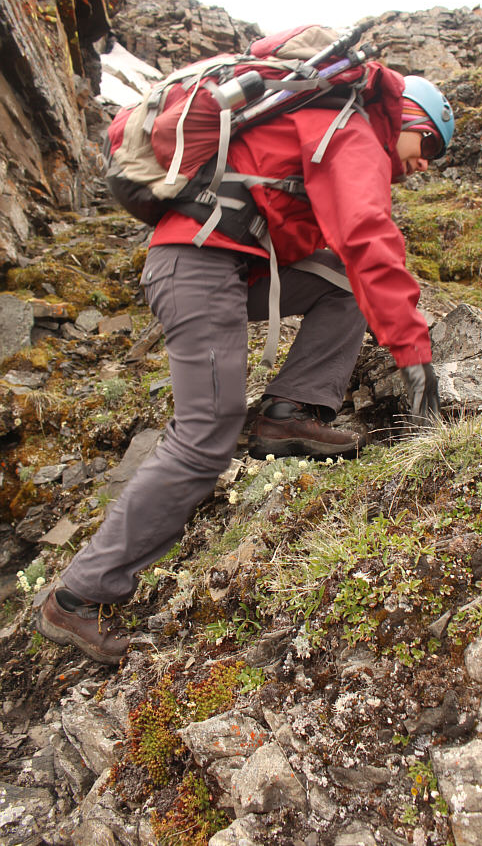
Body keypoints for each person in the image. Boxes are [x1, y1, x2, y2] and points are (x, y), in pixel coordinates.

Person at [35, 64, 454, 664]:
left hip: (223, 261)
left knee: (342, 285)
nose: (425, 164)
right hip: (198, 262)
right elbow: (367, 232)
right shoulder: (355, 125)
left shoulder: (331, 121)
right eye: (429, 145)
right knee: (206, 436)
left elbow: (343, 246)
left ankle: (287, 413)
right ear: (408, 116)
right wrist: (415, 357)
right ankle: (76, 598)